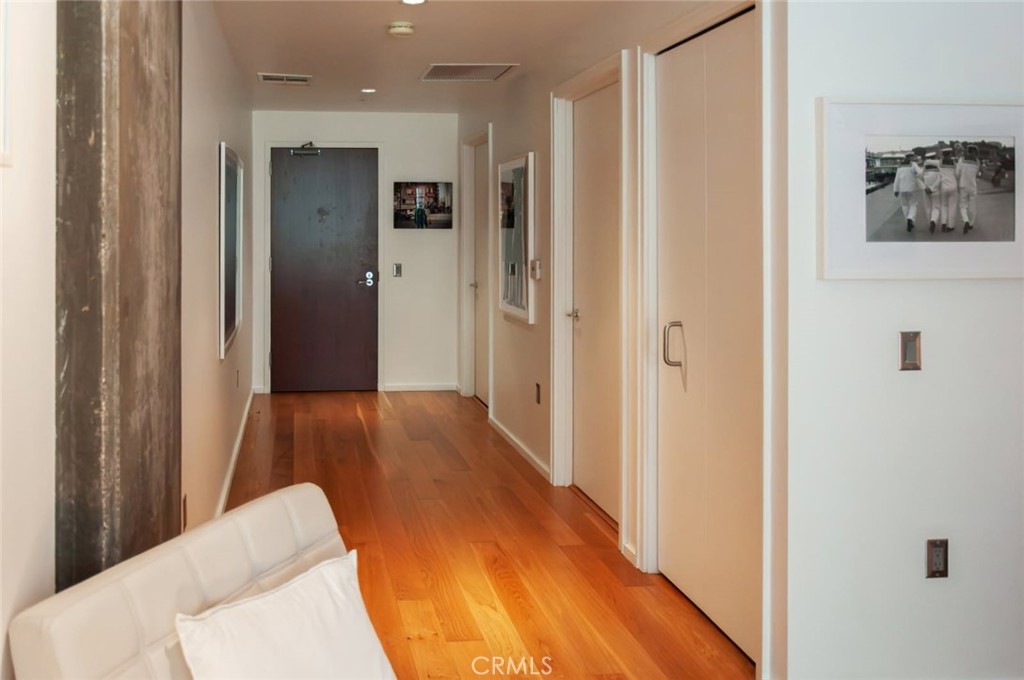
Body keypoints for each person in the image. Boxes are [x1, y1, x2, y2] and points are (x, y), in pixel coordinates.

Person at [893, 153, 923, 231]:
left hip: (902, 189)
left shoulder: (900, 166)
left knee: (904, 205)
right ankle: (910, 218)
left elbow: (897, 179)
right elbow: (920, 173)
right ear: (911, 157)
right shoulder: (913, 164)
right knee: (913, 204)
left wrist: (896, 190)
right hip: (912, 188)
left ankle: (908, 221)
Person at [956, 145, 980, 234]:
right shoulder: (977, 162)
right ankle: (971, 224)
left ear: (968, 151)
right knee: (972, 206)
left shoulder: (961, 160)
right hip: (973, 186)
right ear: (975, 152)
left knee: (962, 206)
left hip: (963, 186)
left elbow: (957, 174)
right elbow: (977, 173)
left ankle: (965, 220)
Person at [939, 149, 958, 233]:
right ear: (950, 154)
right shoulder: (954, 163)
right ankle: (950, 226)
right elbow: (957, 174)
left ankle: (943, 222)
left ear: (943, 154)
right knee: (952, 206)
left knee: (944, 205)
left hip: (943, 186)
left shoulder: (940, 162)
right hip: (953, 186)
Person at [921, 159, 942, 233]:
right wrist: (933, 188)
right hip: (935, 191)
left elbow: (919, 179)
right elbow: (939, 180)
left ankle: (930, 221)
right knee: (936, 207)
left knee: (927, 207)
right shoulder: (938, 169)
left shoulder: (924, 170)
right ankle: (933, 220)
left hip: (926, 191)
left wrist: (924, 187)